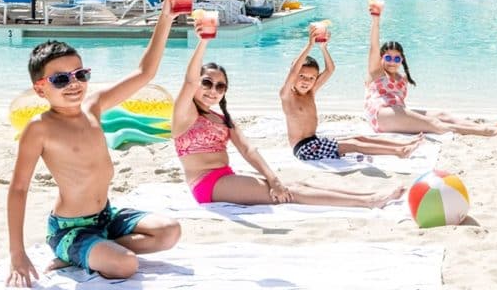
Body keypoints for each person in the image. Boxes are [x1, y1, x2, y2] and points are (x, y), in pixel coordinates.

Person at [5, 0, 182, 287]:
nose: (73, 84)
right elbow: (19, 189)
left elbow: (145, 73)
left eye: (80, 74)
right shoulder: (40, 128)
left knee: (169, 231)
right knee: (126, 264)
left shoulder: (94, 106)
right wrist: (17, 253)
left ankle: (96, 249)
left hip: (106, 217)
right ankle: (72, 251)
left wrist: (166, 18)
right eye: (60, 80)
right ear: (40, 90)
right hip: (70, 227)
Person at [173, 30, 406, 208]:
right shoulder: (186, 114)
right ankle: (371, 201)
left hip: (225, 177)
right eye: (207, 83)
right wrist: (203, 40)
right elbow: (189, 81)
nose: (213, 90)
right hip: (206, 185)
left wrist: (271, 177)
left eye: (220, 86)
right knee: (291, 192)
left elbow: (248, 149)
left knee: (298, 185)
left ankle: (367, 195)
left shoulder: (222, 118)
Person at [281, 23, 423, 161]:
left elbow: (330, 69)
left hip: (314, 141)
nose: (307, 81)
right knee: (354, 145)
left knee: (359, 138)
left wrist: (323, 48)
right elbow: (294, 70)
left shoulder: (310, 92)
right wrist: (310, 45)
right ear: (293, 77)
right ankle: (399, 152)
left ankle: (403, 144)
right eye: (302, 76)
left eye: (312, 78)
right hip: (304, 149)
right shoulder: (287, 95)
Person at [365, 2, 497, 136]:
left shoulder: (401, 79)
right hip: (381, 115)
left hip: (395, 113)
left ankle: (487, 125)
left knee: (442, 115)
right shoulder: (377, 73)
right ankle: (487, 131)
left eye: (396, 58)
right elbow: (374, 46)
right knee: (435, 124)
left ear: (401, 60)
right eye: (388, 58)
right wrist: (376, 19)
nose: (392, 62)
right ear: (381, 58)